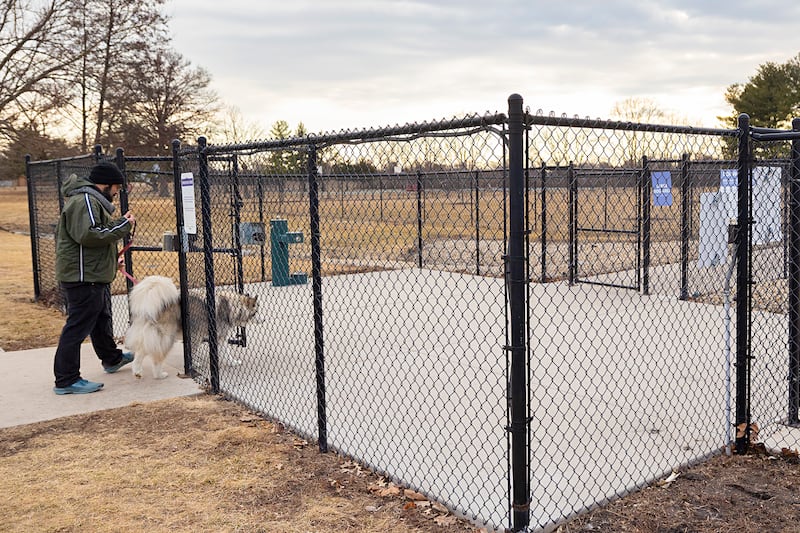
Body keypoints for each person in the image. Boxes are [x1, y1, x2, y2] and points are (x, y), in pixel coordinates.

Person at [52, 161, 136, 394]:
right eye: (117, 187)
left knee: (100, 318)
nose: (117, 191)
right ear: (106, 184)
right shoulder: (86, 200)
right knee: (77, 327)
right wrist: (124, 225)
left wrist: (112, 259)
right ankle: (66, 379)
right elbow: (90, 235)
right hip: (83, 277)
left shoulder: (89, 200)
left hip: (90, 273)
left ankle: (112, 358)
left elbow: (94, 234)